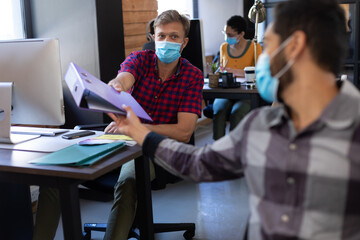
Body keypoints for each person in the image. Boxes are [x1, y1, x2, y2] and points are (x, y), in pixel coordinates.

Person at [108, 0, 360, 239]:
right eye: (161, 35)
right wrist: (140, 131)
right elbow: (200, 163)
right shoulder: (262, 125)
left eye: (269, 46)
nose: (262, 59)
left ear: (295, 47)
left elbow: (187, 139)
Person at [33, 10, 204, 240]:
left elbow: (184, 132)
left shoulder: (192, 76)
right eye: (161, 36)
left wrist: (138, 129)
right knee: (56, 176)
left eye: (174, 37)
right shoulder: (140, 59)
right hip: (119, 138)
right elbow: (124, 78)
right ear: (153, 37)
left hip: (155, 148)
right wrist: (115, 85)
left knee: (128, 182)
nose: (166, 42)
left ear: (184, 43)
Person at [212, 15, 262, 140]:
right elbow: (222, 68)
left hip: (245, 94)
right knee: (218, 110)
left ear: (241, 34)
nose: (227, 37)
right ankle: (217, 150)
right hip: (226, 91)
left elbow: (260, 73)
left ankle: (233, 150)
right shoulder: (223, 47)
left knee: (237, 113)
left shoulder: (254, 47)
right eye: (225, 33)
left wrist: (235, 71)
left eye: (230, 35)